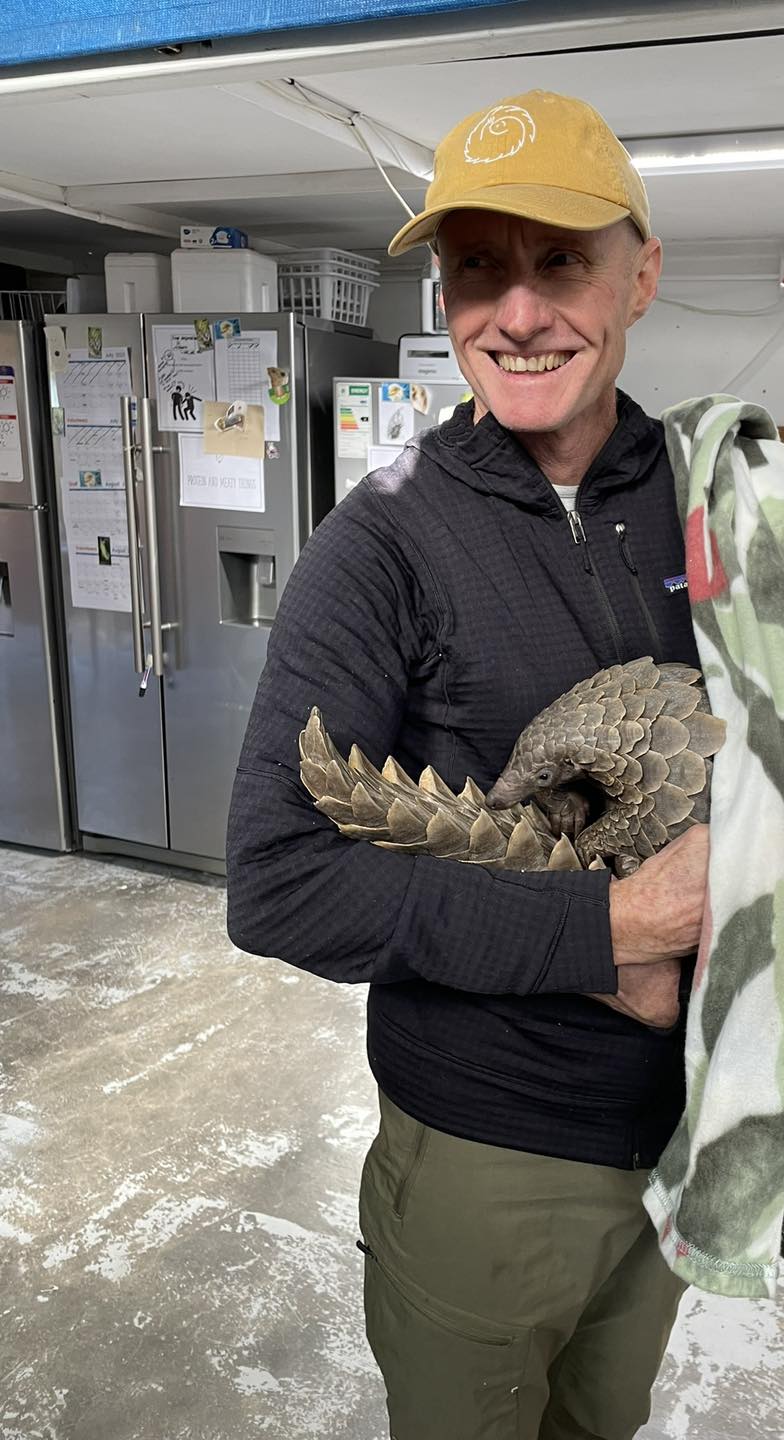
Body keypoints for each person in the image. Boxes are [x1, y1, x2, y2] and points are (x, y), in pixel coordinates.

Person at [226, 88, 711, 1440]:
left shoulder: (718, 494)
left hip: (686, 1141)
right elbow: (276, 884)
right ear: (445, 296)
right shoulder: (380, 542)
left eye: (560, 259)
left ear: (641, 274)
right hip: (492, 1154)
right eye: (478, 267)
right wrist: (608, 925)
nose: (517, 309)